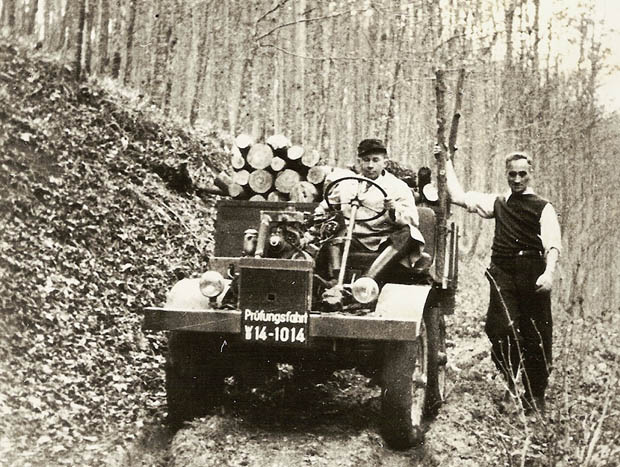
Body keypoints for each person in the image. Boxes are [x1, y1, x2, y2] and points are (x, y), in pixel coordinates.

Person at [438, 147, 561, 414]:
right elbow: (458, 196)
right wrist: (445, 160)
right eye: (512, 174)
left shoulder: (543, 207)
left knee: (536, 334)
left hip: (533, 273)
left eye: (522, 174)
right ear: (506, 175)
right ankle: (509, 382)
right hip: (503, 271)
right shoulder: (498, 203)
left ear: (531, 174)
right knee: (500, 328)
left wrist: (548, 273)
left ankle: (534, 395)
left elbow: (552, 245)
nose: (517, 180)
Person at [315, 138, 425, 283]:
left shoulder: (398, 187)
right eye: (366, 160)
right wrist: (318, 212)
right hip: (352, 238)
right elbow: (327, 205)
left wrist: (393, 210)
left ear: (384, 162)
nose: (370, 166)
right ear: (359, 162)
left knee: (410, 233)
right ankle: (334, 280)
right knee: (331, 225)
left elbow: (412, 220)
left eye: (375, 160)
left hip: (382, 240)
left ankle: (367, 280)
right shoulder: (347, 184)